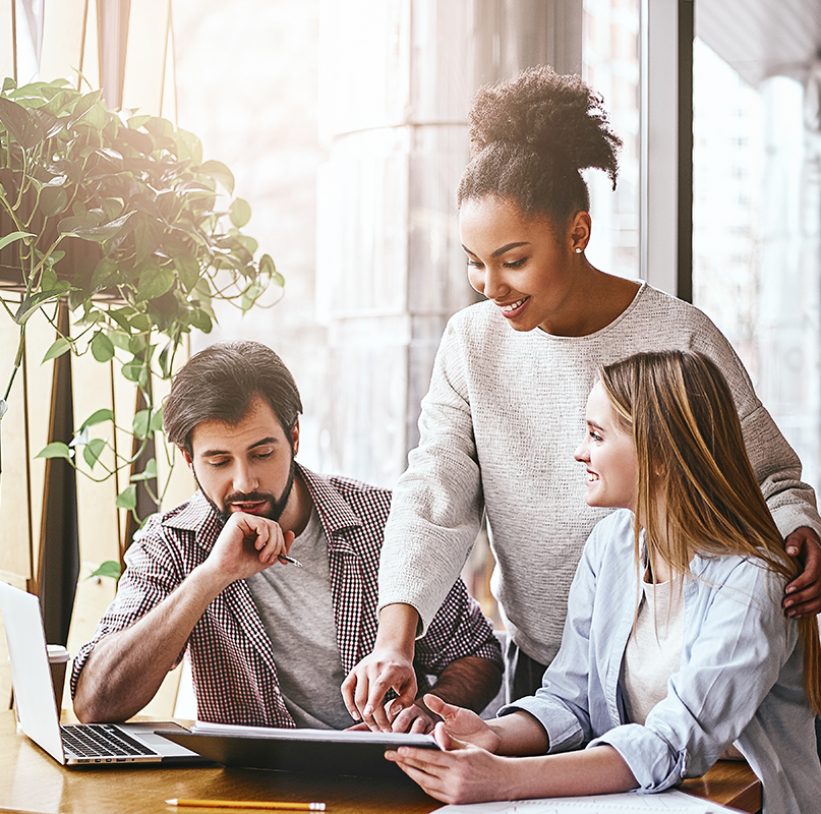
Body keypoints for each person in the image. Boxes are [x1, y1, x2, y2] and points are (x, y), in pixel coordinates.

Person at [342, 65, 821, 729]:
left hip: (682, 666)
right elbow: (434, 496)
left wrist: (798, 529)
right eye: (474, 261)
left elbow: (769, 479)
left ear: (577, 233)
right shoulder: (470, 343)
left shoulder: (677, 334)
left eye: (512, 259)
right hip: (553, 676)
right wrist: (394, 640)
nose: (490, 284)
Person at [385, 350, 821, 813]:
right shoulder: (611, 546)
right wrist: (493, 735)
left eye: (596, 435)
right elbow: (570, 700)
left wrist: (506, 781)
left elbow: (673, 743)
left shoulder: (754, 578)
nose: (580, 452)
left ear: (660, 454)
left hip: (747, 801)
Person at [71, 341, 502, 731]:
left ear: (294, 437)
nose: (244, 482)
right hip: (247, 790)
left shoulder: (386, 520)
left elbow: (477, 654)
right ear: (188, 458)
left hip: (380, 778)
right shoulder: (171, 544)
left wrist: (425, 712)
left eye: (262, 454)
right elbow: (95, 702)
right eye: (219, 461)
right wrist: (209, 577)